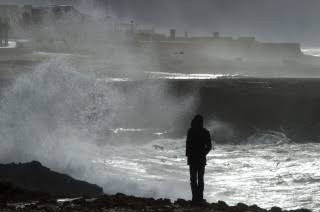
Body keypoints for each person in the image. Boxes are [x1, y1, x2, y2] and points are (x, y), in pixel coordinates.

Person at [186, 115, 212, 203]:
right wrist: (203, 153)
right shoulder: (205, 132)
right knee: (200, 179)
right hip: (200, 159)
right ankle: (199, 198)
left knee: (193, 179)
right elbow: (209, 146)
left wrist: (188, 156)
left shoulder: (191, 131)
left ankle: (195, 198)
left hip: (193, 159)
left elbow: (188, 145)